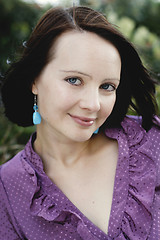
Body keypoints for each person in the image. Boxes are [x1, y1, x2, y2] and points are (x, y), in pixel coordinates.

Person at [0, 5, 160, 240]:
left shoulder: (151, 142)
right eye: (74, 80)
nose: (93, 104)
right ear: (35, 79)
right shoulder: (7, 190)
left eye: (107, 87)